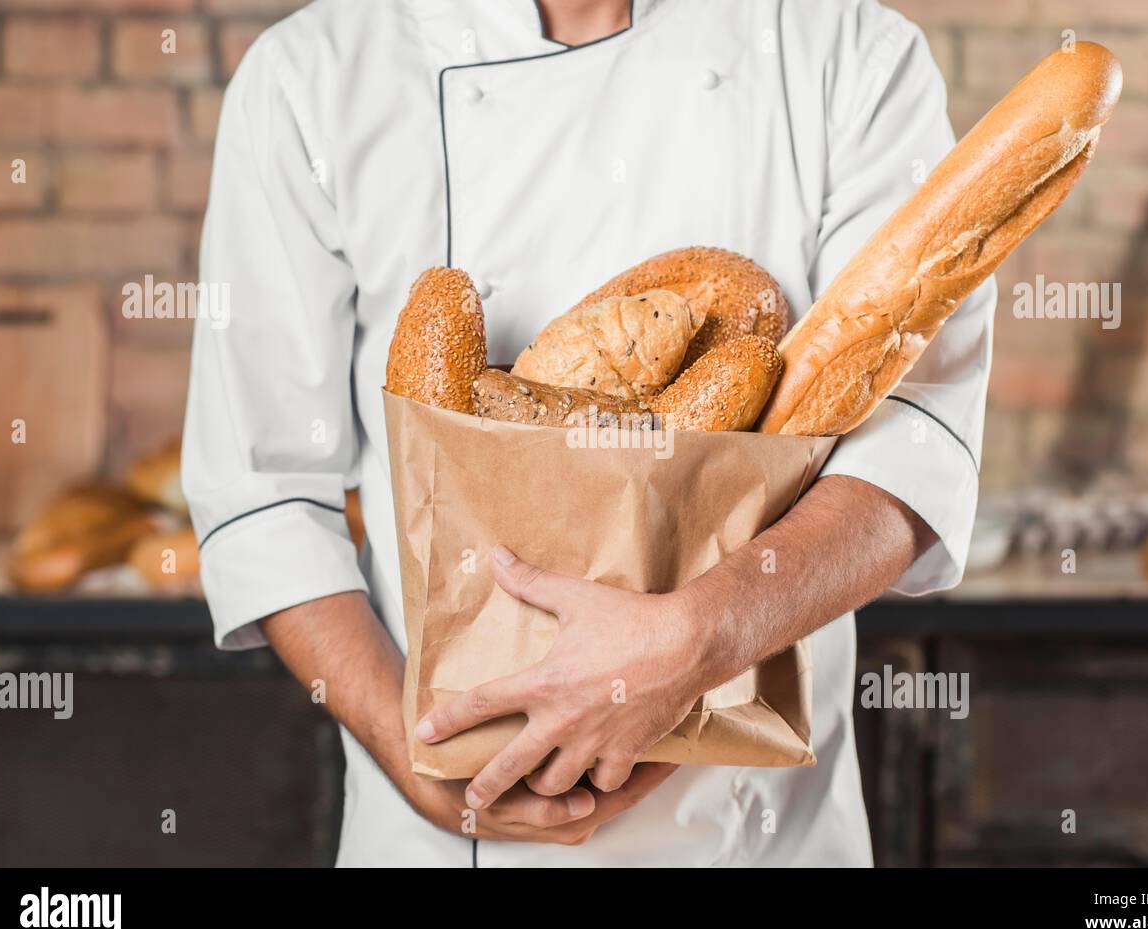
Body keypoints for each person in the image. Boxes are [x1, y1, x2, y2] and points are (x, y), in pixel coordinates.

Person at [182, 0, 995, 866]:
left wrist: (701, 636)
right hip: (437, 838)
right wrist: (415, 760)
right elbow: (263, 496)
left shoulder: (845, 51)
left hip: (758, 836)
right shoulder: (311, 78)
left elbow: (911, 448)